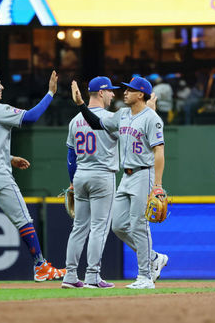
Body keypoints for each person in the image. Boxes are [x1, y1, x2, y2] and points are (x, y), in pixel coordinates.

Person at [0, 70, 65, 286]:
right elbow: (31, 117)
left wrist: (9, 157)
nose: (2, 87)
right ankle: (40, 266)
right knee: (24, 220)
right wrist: (50, 93)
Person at [71, 76, 168, 289]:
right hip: (127, 176)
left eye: (130, 90)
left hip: (144, 173)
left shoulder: (151, 118)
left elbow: (159, 151)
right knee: (118, 225)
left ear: (140, 94)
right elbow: (96, 123)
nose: (124, 92)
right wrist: (80, 104)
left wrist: (157, 184)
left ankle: (145, 277)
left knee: (139, 224)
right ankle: (153, 258)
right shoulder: (122, 114)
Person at [62, 77, 121, 289]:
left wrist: (71, 181)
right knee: (99, 227)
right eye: (111, 91)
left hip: (80, 176)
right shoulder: (112, 118)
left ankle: (69, 275)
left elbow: (70, 156)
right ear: (101, 92)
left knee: (78, 227)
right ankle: (92, 275)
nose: (113, 94)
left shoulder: (74, 120)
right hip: (102, 175)